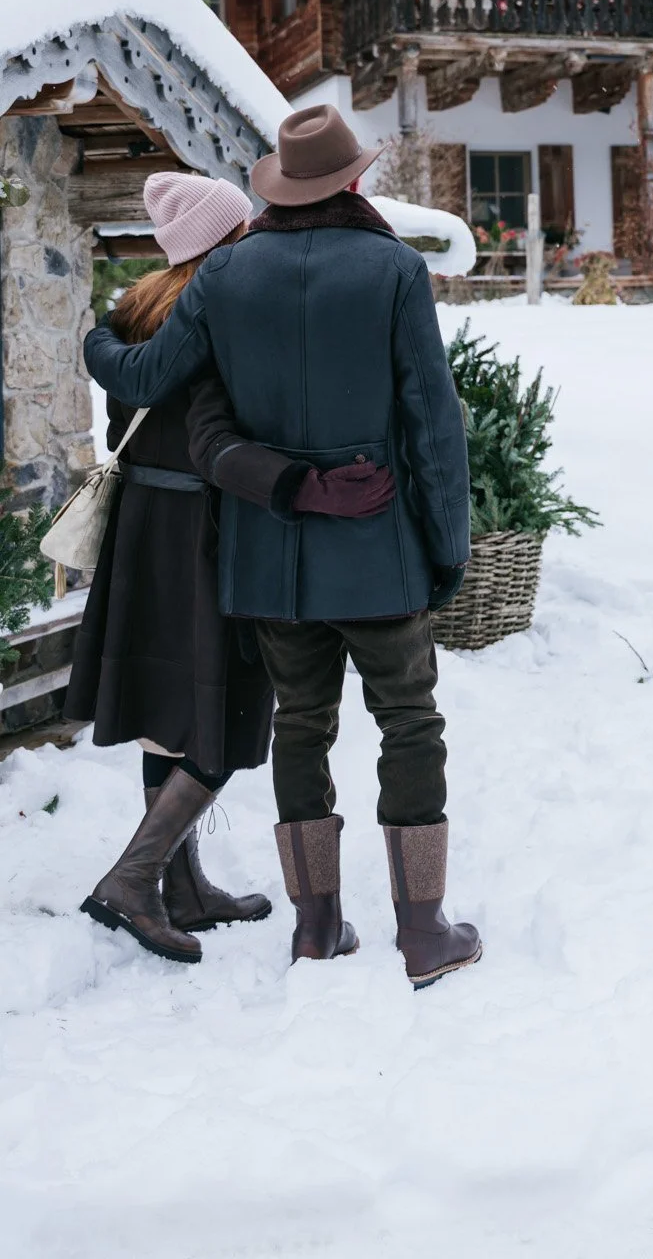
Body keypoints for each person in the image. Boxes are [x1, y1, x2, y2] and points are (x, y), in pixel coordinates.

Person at [84, 106, 482, 989]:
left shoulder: (226, 273)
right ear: (353, 180)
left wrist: (94, 338)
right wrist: (446, 547)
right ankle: (423, 933)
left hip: (267, 553)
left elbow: (155, 380)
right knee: (409, 724)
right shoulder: (392, 269)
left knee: (300, 727)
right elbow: (432, 423)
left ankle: (316, 928)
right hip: (380, 550)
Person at [68, 173, 281, 964]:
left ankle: (182, 889)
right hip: (208, 525)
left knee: (170, 705)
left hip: (143, 526)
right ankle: (133, 879)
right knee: (227, 707)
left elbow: (123, 408)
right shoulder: (225, 308)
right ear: (222, 239)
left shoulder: (133, 310)